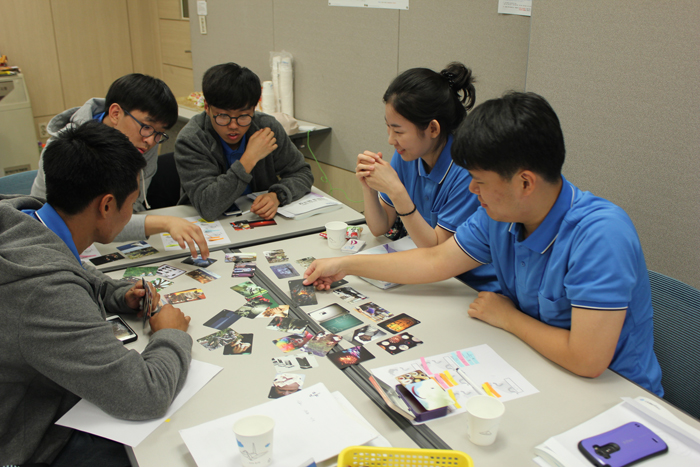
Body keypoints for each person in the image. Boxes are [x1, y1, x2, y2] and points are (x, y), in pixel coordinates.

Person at [304, 92, 663, 396]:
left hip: (617, 397)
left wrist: (508, 318)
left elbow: (587, 360)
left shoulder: (601, 234)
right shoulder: (501, 215)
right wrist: (345, 265)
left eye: (479, 180)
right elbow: (434, 261)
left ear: (524, 183)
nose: (472, 189)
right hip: (538, 369)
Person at [0, 121, 193, 466]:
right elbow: (144, 395)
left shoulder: (23, 219)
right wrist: (170, 335)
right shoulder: (44, 292)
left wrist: (116, 293)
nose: (131, 214)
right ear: (106, 206)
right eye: (131, 204)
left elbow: (65, 266)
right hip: (28, 440)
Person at [30, 73, 209, 258]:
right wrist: (164, 223)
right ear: (116, 113)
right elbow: (51, 222)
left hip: (110, 243)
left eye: (159, 133)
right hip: (61, 249)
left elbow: (128, 210)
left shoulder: (142, 141)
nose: (150, 141)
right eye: (147, 126)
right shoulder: (71, 149)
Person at [356, 62, 497, 291]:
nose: (391, 140)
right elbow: (379, 227)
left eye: (398, 131)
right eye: (388, 128)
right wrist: (368, 186)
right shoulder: (406, 155)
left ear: (433, 129)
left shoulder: (466, 171)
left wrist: (397, 192)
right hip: (433, 275)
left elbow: (436, 251)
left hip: (467, 286)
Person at [174, 62, 314, 221]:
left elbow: (302, 173)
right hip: (210, 225)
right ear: (207, 107)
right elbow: (208, 207)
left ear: (254, 109)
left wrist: (277, 195)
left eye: (243, 116)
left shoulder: (267, 128)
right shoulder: (192, 139)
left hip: (256, 219)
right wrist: (249, 159)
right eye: (223, 116)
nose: (233, 126)